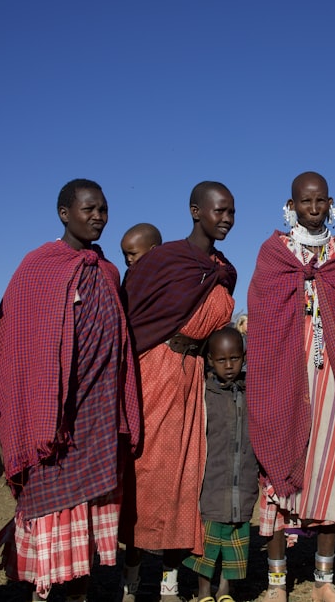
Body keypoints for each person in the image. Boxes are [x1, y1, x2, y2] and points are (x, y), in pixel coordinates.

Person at [0, 178, 142, 601]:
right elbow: (14, 338)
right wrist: (42, 396)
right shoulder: (38, 267)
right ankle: (43, 593)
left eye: (103, 209)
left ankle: (80, 594)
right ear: (64, 214)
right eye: (88, 209)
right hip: (53, 423)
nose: (98, 217)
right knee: (51, 515)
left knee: (88, 524)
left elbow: (119, 344)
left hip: (97, 417)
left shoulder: (108, 271)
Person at [247, 171, 335, 602]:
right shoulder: (274, 251)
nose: (313, 208)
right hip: (283, 371)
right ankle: (277, 585)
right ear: (291, 204)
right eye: (305, 201)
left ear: (330, 203)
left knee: (331, 471)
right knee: (277, 474)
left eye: (320, 201)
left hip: (331, 372)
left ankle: (324, 584)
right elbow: (261, 314)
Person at [121, 181, 237, 601]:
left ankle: (170, 578)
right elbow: (130, 314)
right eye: (218, 211)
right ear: (195, 211)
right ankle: (131, 578)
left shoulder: (224, 269)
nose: (225, 219)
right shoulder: (165, 260)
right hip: (154, 373)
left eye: (231, 212)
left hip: (194, 381)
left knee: (188, 478)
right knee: (145, 473)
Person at [182, 327, 258, 602]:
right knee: (207, 543)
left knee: (236, 538)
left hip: (244, 480)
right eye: (222, 360)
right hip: (211, 484)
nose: (229, 366)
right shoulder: (204, 394)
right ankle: (204, 591)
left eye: (235, 358)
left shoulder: (253, 391)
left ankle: (225, 590)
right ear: (210, 361)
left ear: (244, 356)